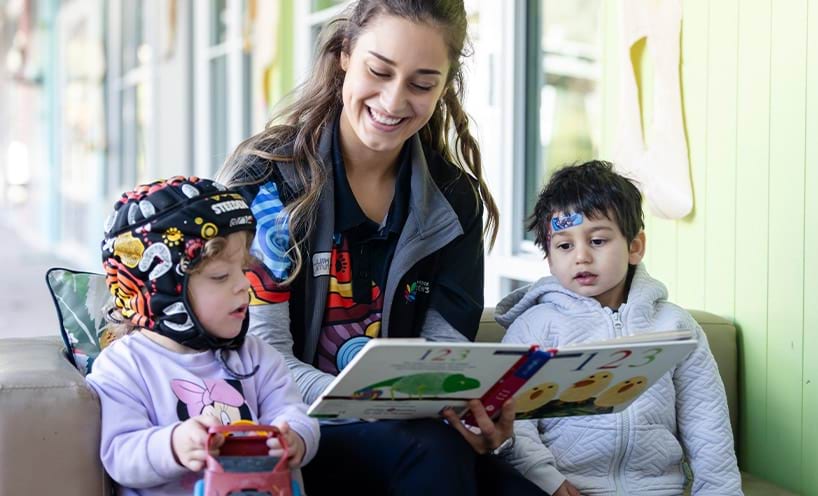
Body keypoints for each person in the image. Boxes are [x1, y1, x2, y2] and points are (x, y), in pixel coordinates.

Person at [217, 1, 545, 494]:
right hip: (293, 431)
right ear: (345, 53)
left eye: (421, 83)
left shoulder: (452, 199)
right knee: (431, 452)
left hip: (412, 433)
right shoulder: (267, 181)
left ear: (445, 87)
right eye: (379, 71)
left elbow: (443, 352)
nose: (393, 102)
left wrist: (472, 415)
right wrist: (370, 406)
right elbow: (264, 357)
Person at [495, 161, 742, 495]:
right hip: (562, 488)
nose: (580, 256)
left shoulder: (676, 326)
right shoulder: (534, 327)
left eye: (597, 241)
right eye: (564, 246)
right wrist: (547, 480)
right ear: (549, 259)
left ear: (635, 247)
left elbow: (707, 423)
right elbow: (514, 422)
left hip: (658, 489)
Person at [85, 176, 320, 495]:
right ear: (163, 290)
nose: (244, 284)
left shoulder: (257, 357)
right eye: (221, 276)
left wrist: (296, 436)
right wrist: (173, 444)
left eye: (244, 269)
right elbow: (120, 453)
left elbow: (294, 411)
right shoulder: (124, 366)